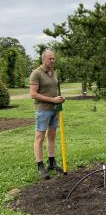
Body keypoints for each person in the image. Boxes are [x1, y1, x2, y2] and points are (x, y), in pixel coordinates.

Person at [29, 50, 65, 179]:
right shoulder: (36, 74)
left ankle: (51, 162)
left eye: (54, 59)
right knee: (39, 137)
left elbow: (54, 90)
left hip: (54, 109)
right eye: (50, 59)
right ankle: (40, 166)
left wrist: (59, 98)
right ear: (43, 59)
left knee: (52, 136)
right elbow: (33, 94)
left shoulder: (53, 73)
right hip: (43, 110)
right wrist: (52, 100)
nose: (53, 61)